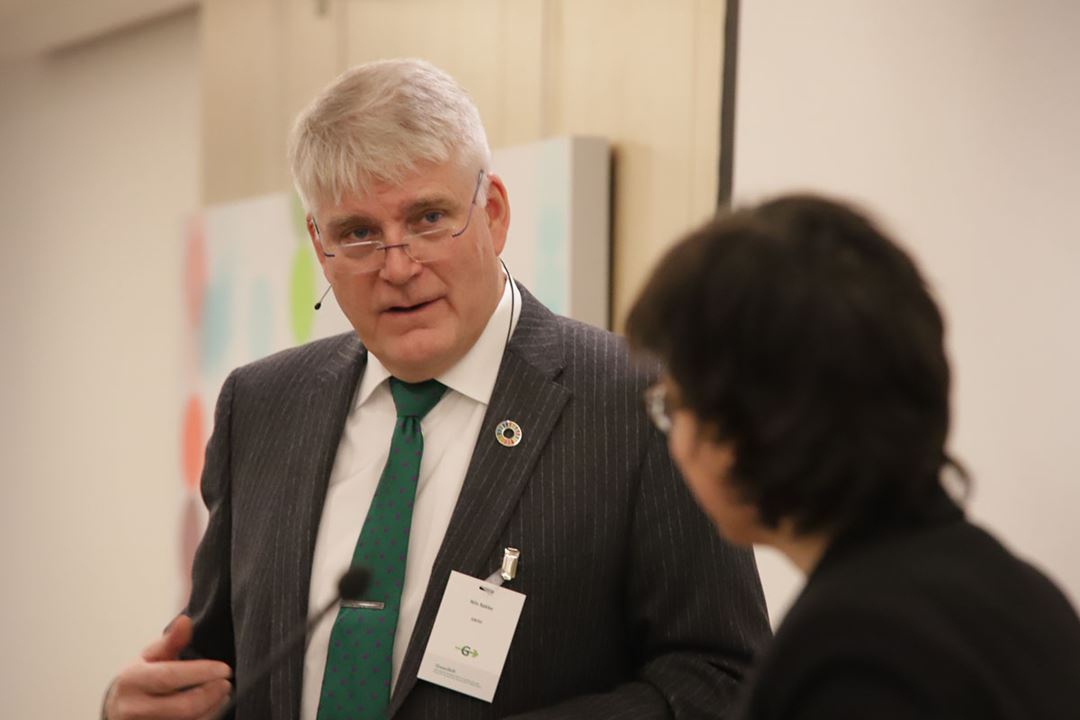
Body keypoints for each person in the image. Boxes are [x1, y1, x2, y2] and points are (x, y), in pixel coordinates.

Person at [104, 59, 770, 720]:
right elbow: (218, 668)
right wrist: (139, 708)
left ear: (495, 213)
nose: (398, 267)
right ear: (319, 245)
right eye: (358, 234)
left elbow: (722, 680)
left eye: (427, 218)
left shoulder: (636, 401)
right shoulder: (261, 405)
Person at [625, 194, 1080, 719]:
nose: (675, 440)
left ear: (748, 424)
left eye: (674, 406)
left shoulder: (852, 658)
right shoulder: (1022, 592)